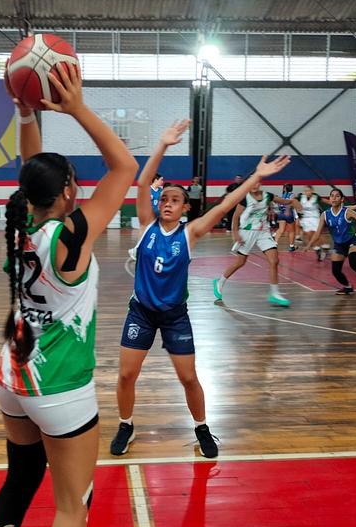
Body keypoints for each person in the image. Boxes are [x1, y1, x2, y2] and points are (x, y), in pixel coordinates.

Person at [0, 62, 137, 527]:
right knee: (74, 506)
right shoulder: (71, 236)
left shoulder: (21, 222)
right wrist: (76, 108)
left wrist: (27, 115)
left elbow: (34, 173)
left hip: (12, 376)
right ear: (70, 192)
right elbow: (125, 167)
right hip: (59, 387)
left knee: (21, 479)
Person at [110, 121, 289, 459]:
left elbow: (223, 207)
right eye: (164, 198)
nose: (167, 203)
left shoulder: (189, 234)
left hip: (175, 315)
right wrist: (162, 144)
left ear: (185, 207)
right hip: (142, 312)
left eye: (175, 200)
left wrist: (256, 177)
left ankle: (202, 428)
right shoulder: (147, 225)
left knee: (189, 378)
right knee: (125, 373)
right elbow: (144, 181)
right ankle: (126, 424)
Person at [212, 183, 298, 307]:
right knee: (241, 262)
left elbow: (284, 201)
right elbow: (235, 217)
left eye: (257, 182)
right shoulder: (245, 198)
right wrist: (235, 233)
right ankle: (220, 282)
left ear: (260, 183)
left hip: (263, 232)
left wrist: (293, 201)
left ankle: (275, 293)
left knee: (274, 261)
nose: (254, 185)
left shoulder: (267, 196)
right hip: (247, 232)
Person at [306, 188, 356, 298]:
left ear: (342, 199)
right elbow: (317, 233)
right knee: (336, 271)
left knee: (354, 264)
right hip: (339, 244)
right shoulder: (325, 215)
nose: (334, 198)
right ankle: (348, 287)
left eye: (337, 196)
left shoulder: (347, 212)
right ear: (329, 199)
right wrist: (309, 245)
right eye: (332, 196)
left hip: (352, 241)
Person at [292, 185, 329, 261]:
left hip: (315, 218)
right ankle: (317, 249)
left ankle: (325, 246)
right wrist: (297, 206)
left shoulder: (316, 197)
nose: (307, 192)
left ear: (312, 191)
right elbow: (293, 200)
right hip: (305, 219)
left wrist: (333, 203)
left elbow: (325, 201)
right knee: (309, 235)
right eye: (305, 191)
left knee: (317, 234)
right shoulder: (301, 197)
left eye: (308, 190)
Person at [274, 183, 297, 252]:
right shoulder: (292, 195)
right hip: (288, 213)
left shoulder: (281, 195)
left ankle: (274, 244)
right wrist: (288, 209)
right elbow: (290, 203)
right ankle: (291, 246)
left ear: (284, 188)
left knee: (281, 229)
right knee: (292, 231)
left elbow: (278, 204)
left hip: (281, 213)